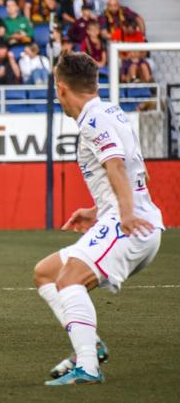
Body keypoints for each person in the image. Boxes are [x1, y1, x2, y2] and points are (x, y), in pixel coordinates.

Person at [33, 51, 164, 386]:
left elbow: (117, 166)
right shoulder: (112, 112)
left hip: (129, 225)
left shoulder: (93, 120)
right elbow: (141, 174)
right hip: (126, 218)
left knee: (69, 280)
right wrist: (97, 210)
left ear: (60, 89)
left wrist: (125, 214)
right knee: (46, 273)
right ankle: (87, 343)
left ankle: (88, 366)